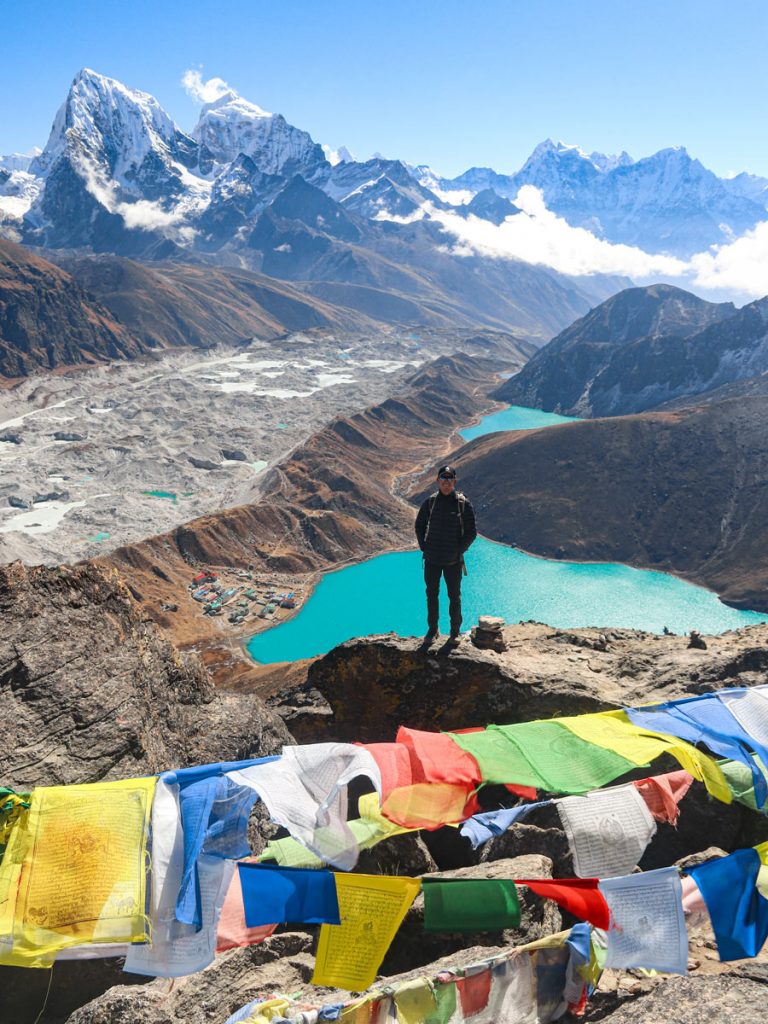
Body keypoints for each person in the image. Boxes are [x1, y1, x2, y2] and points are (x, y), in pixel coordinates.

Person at [415, 465, 477, 644]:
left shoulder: (463, 504)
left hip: (453, 561)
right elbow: (419, 525)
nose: (447, 482)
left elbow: (472, 532)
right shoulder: (430, 503)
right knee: (431, 595)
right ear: (437, 481)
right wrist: (424, 547)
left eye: (450, 479)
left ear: (455, 482)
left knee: (454, 597)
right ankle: (433, 630)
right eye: (443, 479)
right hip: (432, 559)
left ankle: (455, 632)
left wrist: (459, 550)